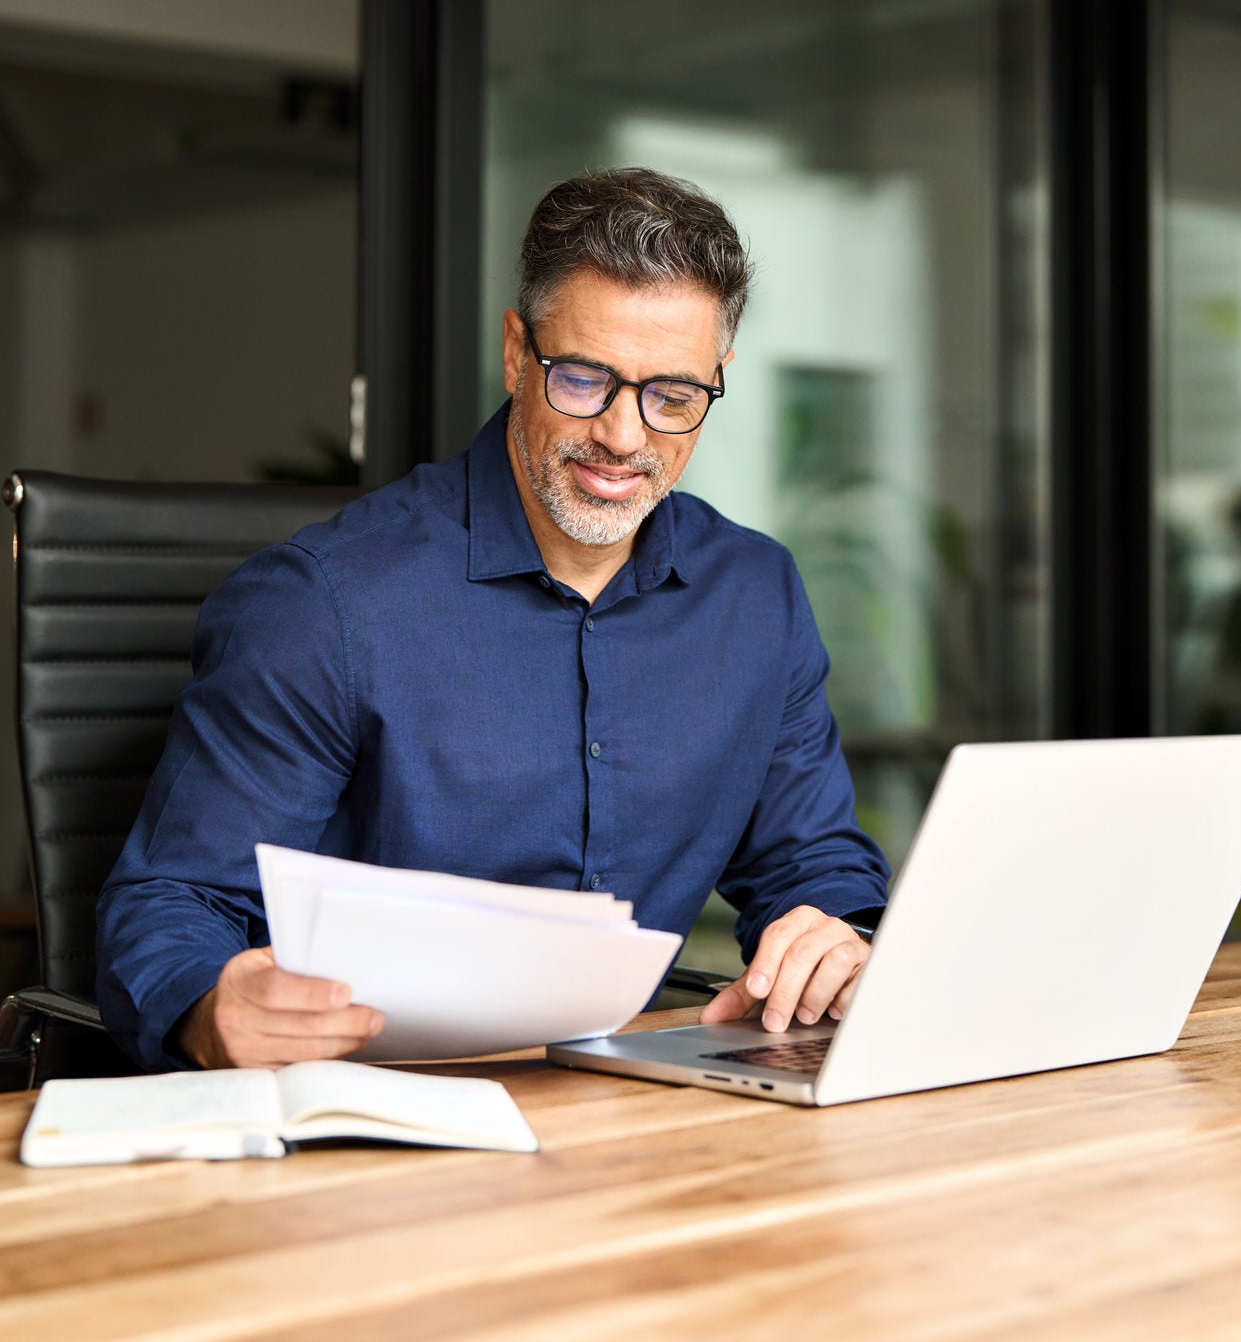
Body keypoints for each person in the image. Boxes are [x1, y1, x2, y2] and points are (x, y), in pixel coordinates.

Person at [96, 168, 889, 1071]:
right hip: (374, 1108)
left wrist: (831, 938)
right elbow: (169, 900)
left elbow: (811, 864)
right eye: (585, 380)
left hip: (631, 1110)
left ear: (716, 379)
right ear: (517, 354)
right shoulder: (327, 603)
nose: (626, 438)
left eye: (672, 395)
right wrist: (208, 1008)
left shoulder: (755, 596)